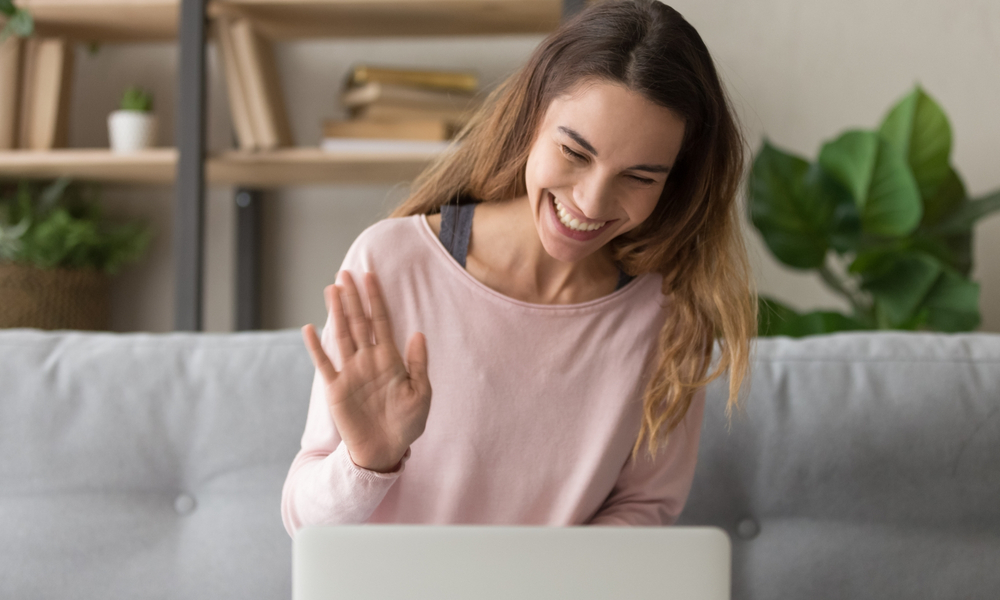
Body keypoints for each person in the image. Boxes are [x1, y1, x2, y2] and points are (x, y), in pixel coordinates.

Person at [281, 0, 755, 533]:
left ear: (674, 182)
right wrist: (366, 460)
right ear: (533, 117)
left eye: (640, 177)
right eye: (575, 152)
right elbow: (304, 523)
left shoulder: (671, 318)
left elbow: (645, 509)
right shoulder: (393, 261)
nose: (593, 203)